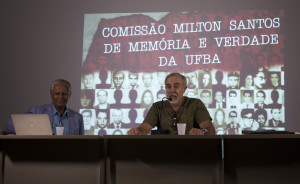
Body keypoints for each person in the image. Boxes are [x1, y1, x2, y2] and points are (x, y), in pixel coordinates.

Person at [127, 73, 215, 135]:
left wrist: (202, 132)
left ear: (184, 88)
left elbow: (210, 130)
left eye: (176, 86)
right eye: (168, 87)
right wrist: (137, 131)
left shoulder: (195, 104)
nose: (172, 90)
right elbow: (144, 129)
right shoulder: (158, 107)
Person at [6, 79, 84, 135]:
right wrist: (34, 130)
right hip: (43, 155)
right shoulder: (37, 111)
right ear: (51, 94)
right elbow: (10, 125)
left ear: (69, 95)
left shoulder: (78, 118)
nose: (61, 97)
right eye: (57, 93)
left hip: (69, 156)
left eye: (64, 94)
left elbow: (82, 143)